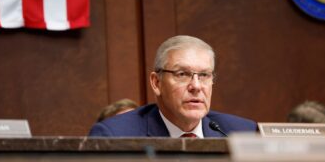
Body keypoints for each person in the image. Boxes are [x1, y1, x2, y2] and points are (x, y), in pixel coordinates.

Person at [89, 35, 257, 138]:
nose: (196, 86)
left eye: (204, 75)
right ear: (156, 83)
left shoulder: (243, 133)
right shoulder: (115, 136)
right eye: (182, 74)